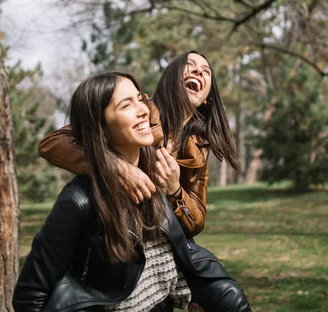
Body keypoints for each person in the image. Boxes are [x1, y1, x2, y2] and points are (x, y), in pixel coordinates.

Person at [13, 72, 251, 311]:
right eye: (126, 105)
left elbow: (182, 252)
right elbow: (29, 296)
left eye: (140, 99)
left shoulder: (158, 175)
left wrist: (212, 295)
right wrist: (112, 166)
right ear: (101, 128)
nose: (143, 110)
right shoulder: (78, 200)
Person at [38, 51, 239, 237]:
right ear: (171, 79)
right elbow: (52, 142)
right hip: (107, 229)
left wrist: (175, 190)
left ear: (206, 99)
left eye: (206, 71)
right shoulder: (137, 113)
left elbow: (196, 222)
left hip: (156, 245)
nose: (198, 71)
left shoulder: (199, 148)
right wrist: (117, 167)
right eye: (189, 65)